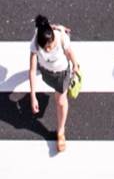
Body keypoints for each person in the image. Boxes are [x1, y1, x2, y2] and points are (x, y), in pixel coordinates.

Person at [28, 15, 80, 152]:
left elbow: (69, 52)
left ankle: (61, 132)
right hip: (46, 72)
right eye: (44, 47)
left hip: (62, 73)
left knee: (60, 101)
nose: (48, 50)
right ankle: (58, 26)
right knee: (58, 98)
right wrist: (33, 96)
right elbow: (32, 70)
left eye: (50, 46)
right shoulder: (35, 42)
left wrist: (75, 65)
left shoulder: (61, 38)